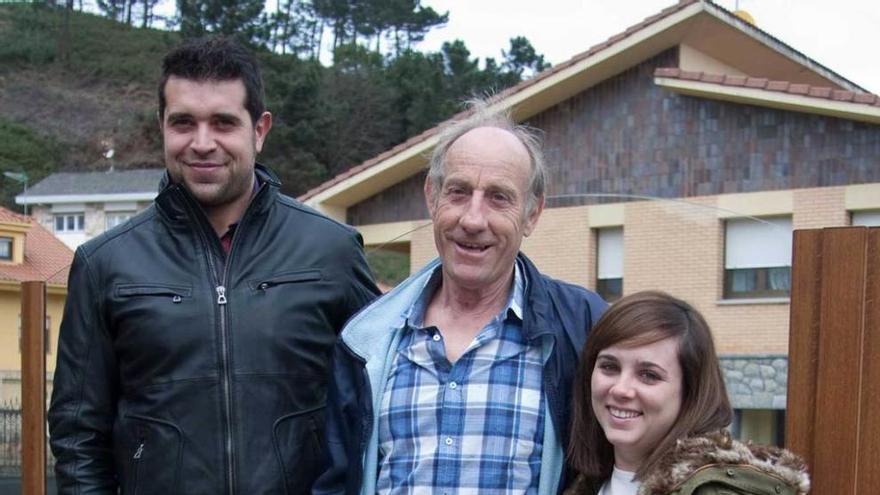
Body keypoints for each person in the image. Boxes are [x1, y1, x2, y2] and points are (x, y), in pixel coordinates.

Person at [48, 36, 379, 495]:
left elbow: (377, 402)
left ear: (259, 130)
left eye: (223, 123)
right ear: (162, 125)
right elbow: (78, 435)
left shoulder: (333, 252)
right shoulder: (104, 264)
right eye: (184, 122)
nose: (202, 143)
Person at [313, 100, 608, 495]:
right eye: (458, 192)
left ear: (532, 214)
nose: (472, 220)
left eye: (499, 197)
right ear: (432, 197)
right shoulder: (367, 339)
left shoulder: (584, 327)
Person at [565, 291, 810, 495]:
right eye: (609, 367)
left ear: (691, 392)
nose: (621, 389)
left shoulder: (717, 491)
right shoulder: (581, 485)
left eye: (649, 375)